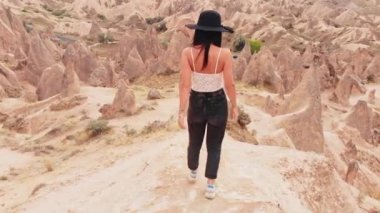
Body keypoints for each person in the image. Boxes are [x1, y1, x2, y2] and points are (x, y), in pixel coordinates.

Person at [178, 10, 238, 199]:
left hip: (196, 102)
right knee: (214, 146)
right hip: (218, 103)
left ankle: (193, 172)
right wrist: (234, 105)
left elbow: (184, 84)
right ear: (217, 32)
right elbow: (230, 84)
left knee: (194, 142)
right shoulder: (225, 54)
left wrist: (181, 111)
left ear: (199, 31)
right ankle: (210, 186)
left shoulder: (187, 53)